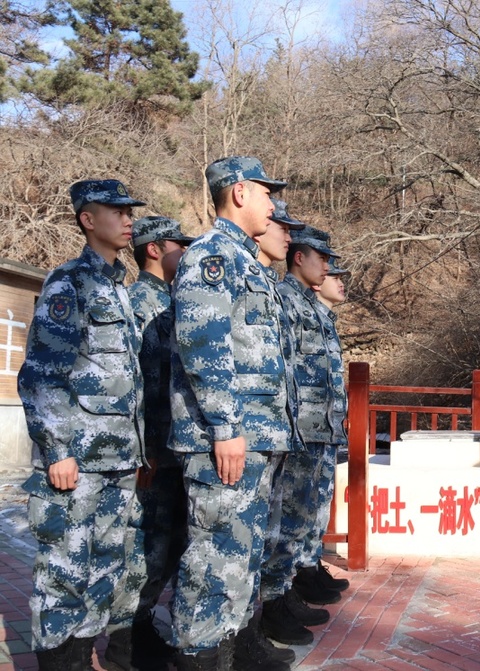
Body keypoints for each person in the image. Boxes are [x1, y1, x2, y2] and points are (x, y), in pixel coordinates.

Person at [168, 157, 292, 671]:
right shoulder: (212, 256)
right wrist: (227, 427)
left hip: (253, 434)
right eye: (266, 193)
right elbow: (203, 346)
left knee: (237, 559)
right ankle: (197, 657)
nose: (272, 204)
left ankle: (224, 654)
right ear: (240, 192)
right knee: (213, 561)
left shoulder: (243, 260)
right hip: (225, 438)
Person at [18, 179, 146, 670]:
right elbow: (42, 374)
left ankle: (81, 658)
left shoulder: (120, 289)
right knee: (64, 572)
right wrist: (57, 450)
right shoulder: (68, 283)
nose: (127, 218)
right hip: (78, 460)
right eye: (115, 211)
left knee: (103, 572)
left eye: (129, 210)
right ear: (88, 220)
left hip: (116, 459)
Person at [106, 217, 195, 671]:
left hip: (176, 450)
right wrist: (141, 451)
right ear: (156, 249)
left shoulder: (177, 301)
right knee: (144, 547)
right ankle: (125, 641)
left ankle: (143, 628)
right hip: (151, 453)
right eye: (181, 244)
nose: (189, 252)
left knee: (172, 543)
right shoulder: (137, 302)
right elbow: (129, 386)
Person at [260, 222, 350, 648]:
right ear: (300, 257)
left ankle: (288, 591)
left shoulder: (311, 307)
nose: (328, 267)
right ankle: (275, 602)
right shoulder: (285, 300)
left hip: (317, 429)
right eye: (323, 259)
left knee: (303, 515)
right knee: (286, 518)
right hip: (298, 430)